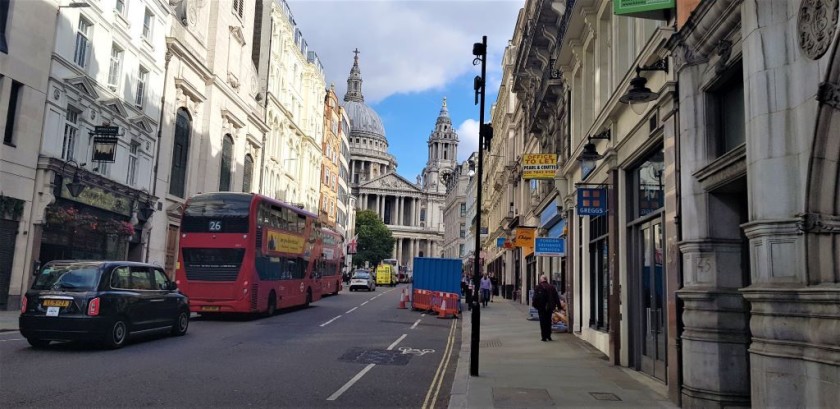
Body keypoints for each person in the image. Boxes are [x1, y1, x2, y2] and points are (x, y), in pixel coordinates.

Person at [533, 275, 561, 341]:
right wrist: (558, 306)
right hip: (549, 307)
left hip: (541, 307)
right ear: (546, 279)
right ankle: (549, 336)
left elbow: (535, 298)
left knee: (542, 322)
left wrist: (535, 306)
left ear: (541, 280)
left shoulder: (538, 287)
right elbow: (556, 297)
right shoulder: (552, 287)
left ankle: (543, 337)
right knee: (548, 321)